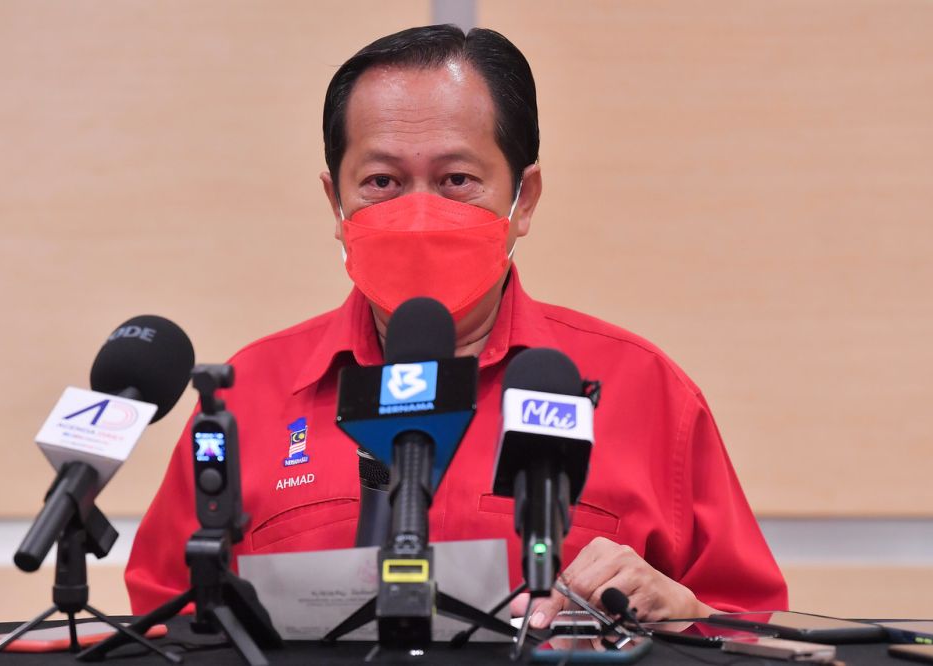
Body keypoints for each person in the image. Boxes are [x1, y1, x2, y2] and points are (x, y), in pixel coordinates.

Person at [126, 24, 788, 628]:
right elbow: (160, 623)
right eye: (382, 180)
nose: (418, 213)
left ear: (521, 200)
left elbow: (753, 629)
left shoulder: (646, 391)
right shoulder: (248, 396)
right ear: (336, 201)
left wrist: (685, 613)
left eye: (457, 179)